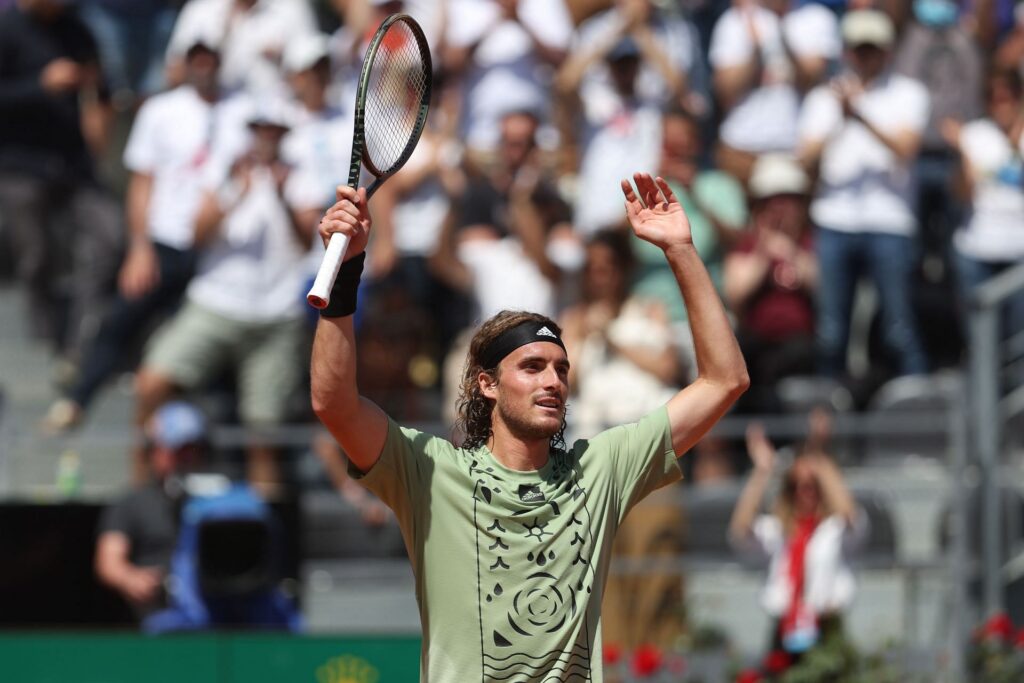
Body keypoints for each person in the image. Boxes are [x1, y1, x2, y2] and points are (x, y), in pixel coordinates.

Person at [310, 171, 749, 681]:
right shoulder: (429, 471)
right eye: (532, 367)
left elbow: (725, 380)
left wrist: (681, 250)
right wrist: (345, 270)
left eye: (562, 368)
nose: (554, 381)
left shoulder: (598, 469)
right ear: (487, 385)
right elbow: (333, 404)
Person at [43, 33, 233, 433]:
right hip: (165, 241)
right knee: (121, 321)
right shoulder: (162, 110)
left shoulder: (243, 111)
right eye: (195, 59)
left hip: (220, 254)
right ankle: (78, 400)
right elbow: (142, 182)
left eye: (210, 59)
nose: (203, 67)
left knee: (206, 347)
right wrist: (139, 247)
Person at [133, 99, 319, 493]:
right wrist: (235, 192)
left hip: (275, 315)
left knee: (264, 435)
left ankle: (267, 532)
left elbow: (308, 242)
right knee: (151, 384)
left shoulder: (300, 177)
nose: (266, 138)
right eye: (260, 129)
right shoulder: (222, 170)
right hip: (215, 304)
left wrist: (283, 196)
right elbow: (196, 234)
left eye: (274, 131)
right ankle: (139, 493)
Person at [799, 9, 930, 378]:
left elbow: (906, 149)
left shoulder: (909, 94)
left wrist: (859, 116)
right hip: (834, 219)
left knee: (897, 327)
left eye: (872, 49)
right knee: (830, 331)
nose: (865, 57)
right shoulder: (823, 98)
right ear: (846, 52)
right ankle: (827, 421)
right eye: (859, 49)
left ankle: (916, 406)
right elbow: (804, 156)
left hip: (890, 221)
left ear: (887, 51)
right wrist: (840, 121)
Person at [0, 0, 122, 366]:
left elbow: (102, 90)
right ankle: (46, 338)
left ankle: (80, 342)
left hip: (75, 164)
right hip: (20, 163)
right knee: (36, 256)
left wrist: (100, 114)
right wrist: (40, 86)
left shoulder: (77, 29)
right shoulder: (8, 30)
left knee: (109, 237)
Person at [728, 413, 868, 670]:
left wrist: (818, 454)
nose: (805, 492)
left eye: (812, 485)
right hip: (784, 631)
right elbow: (740, 530)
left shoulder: (834, 529)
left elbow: (850, 515)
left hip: (826, 627)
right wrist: (762, 471)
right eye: (797, 485)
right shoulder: (777, 531)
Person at [95, 401, 209, 620]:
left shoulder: (219, 499)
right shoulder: (131, 503)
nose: (184, 459)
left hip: (216, 613)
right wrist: (130, 578)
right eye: (176, 450)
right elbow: (108, 561)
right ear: (154, 451)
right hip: (157, 615)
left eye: (192, 450)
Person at [725, 154, 817, 413]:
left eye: (788, 202)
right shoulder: (747, 247)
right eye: (771, 204)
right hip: (756, 342)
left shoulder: (812, 244)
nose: (780, 210)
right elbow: (735, 294)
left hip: (801, 343)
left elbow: (823, 286)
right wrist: (764, 254)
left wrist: (790, 252)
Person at [942, 67, 1024, 342]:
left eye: (1008, 96)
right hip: (977, 249)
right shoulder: (974, 135)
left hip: (1019, 252)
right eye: (993, 97)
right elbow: (961, 194)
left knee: (1017, 340)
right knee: (980, 339)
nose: (1001, 104)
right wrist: (964, 155)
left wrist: (1014, 145)